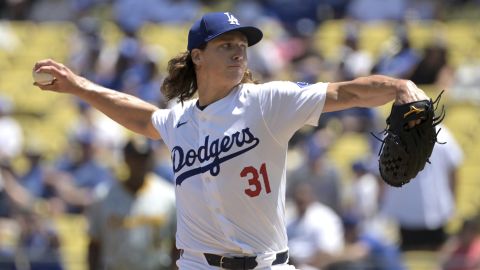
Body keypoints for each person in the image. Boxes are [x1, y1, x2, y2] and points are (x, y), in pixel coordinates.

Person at [33, 11, 430, 270]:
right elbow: (141, 118)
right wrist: (80, 86)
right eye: (226, 45)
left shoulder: (269, 102)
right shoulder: (180, 120)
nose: (239, 53)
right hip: (196, 265)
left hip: (267, 264)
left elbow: (346, 93)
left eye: (242, 46)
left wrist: (399, 86)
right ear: (198, 57)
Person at [87, 137, 176, 270]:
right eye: (134, 158)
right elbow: (95, 245)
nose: (139, 163)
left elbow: (178, 245)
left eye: (143, 158)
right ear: (126, 159)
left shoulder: (167, 196)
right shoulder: (103, 196)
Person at [381, 125, 463, 253]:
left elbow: (454, 169)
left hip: (433, 212)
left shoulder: (443, 133)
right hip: (407, 213)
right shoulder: (392, 133)